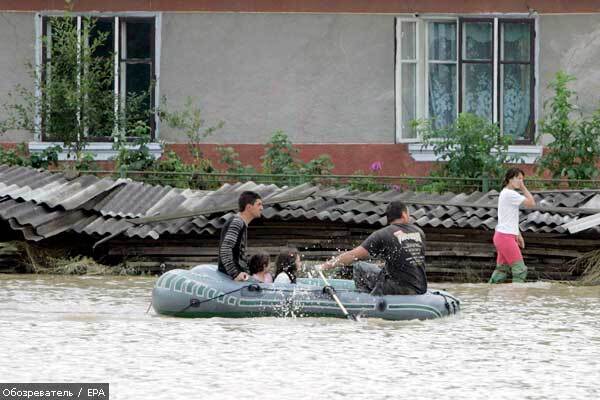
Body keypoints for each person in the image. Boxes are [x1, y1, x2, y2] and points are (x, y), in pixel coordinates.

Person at [320, 200, 427, 295]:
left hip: (397, 288)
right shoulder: (419, 232)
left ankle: (365, 298)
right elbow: (408, 259)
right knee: (380, 270)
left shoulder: (384, 234)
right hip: (420, 287)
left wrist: (325, 266)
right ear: (404, 215)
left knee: (359, 266)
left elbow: (352, 255)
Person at [489, 168, 536, 284]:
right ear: (510, 179)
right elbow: (531, 203)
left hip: (503, 236)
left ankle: (491, 294)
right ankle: (517, 298)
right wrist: (523, 188)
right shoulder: (510, 194)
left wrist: (518, 235)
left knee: (501, 270)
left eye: (522, 179)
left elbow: (510, 218)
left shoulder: (505, 193)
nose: (520, 181)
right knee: (520, 270)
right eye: (518, 178)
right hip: (505, 237)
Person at [217, 191, 263, 281]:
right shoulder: (237, 222)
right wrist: (235, 274)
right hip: (230, 279)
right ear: (249, 207)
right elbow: (225, 249)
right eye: (259, 204)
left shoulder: (241, 223)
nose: (262, 208)